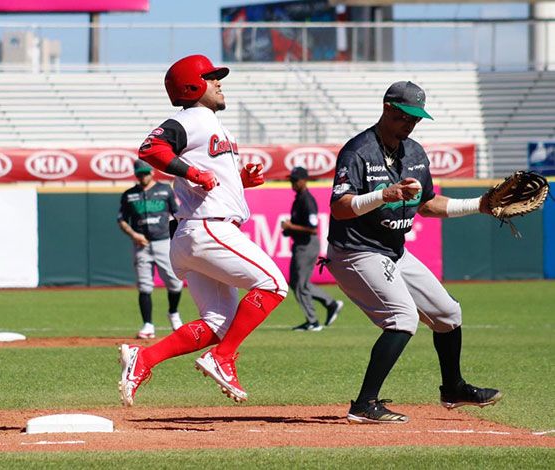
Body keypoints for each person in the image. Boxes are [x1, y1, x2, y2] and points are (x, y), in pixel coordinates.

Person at [326, 80, 502, 424]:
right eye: (406, 116)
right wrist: (382, 196)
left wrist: (479, 205)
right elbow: (340, 208)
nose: (411, 123)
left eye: (417, 118)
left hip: (394, 250)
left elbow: (428, 204)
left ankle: (453, 388)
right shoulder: (358, 151)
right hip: (355, 252)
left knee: (447, 314)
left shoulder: (415, 152)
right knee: (402, 318)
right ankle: (364, 404)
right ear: (388, 108)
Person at [118, 54, 288, 406]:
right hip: (208, 228)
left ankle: (143, 359)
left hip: (193, 233)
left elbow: (208, 176)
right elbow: (150, 148)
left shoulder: (209, 123)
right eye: (211, 78)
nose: (219, 82)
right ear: (193, 85)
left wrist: (240, 181)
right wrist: (191, 173)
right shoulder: (193, 118)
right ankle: (223, 358)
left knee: (217, 324)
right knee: (273, 284)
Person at [117, 159, 183, 339]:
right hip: (141, 244)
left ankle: (173, 313)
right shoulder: (130, 194)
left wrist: (176, 238)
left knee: (175, 283)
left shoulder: (164, 190)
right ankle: (148, 325)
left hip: (163, 241)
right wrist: (134, 235)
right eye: (140, 174)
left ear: (152, 172)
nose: (143, 176)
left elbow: (177, 214)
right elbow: (121, 219)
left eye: (146, 172)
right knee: (145, 286)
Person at [282, 166, 344, 331]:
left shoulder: (306, 200)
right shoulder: (299, 198)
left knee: (300, 285)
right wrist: (290, 229)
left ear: (304, 180)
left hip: (307, 245)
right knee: (296, 284)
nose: (292, 183)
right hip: (301, 244)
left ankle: (313, 322)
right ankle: (330, 303)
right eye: (291, 180)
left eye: (295, 180)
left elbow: (312, 228)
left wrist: (291, 226)